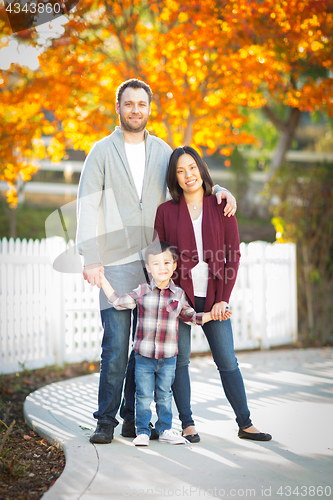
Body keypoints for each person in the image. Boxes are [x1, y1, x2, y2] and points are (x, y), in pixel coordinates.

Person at [76, 78, 237, 445]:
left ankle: (135, 420)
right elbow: (87, 206)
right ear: (118, 108)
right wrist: (91, 258)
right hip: (115, 263)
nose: (135, 110)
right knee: (116, 346)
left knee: (144, 345)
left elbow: (189, 182)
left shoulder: (163, 150)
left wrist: (221, 191)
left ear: (150, 109)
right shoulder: (101, 151)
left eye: (142, 104)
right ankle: (106, 420)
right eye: (128, 104)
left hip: (156, 268)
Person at [154, 146, 272, 442]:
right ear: (174, 178)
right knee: (180, 361)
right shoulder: (165, 212)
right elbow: (159, 258)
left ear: (201, 169)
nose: (187, 175)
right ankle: (187, 424)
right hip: (180, 299)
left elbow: (233, 255)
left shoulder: (221, 205)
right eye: (180, 171)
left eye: (191, 167)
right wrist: (171, 298)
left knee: (227, 360)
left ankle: (245, 423)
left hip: (215, 297)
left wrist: (223, 299)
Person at [98, 241, 223, 446]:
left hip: (168, 359)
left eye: (167, 262)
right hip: (144, 358)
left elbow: (192, 317)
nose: (162, 267)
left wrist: (214, 315)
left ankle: (165, 429)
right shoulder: (142, 291)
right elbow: (118, 302)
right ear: (148, 268)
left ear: (174, 265)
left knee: (165, 396)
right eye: (155, 264)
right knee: (144, 396)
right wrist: (102, 279)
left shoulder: (179, 294)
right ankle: (143, 432)